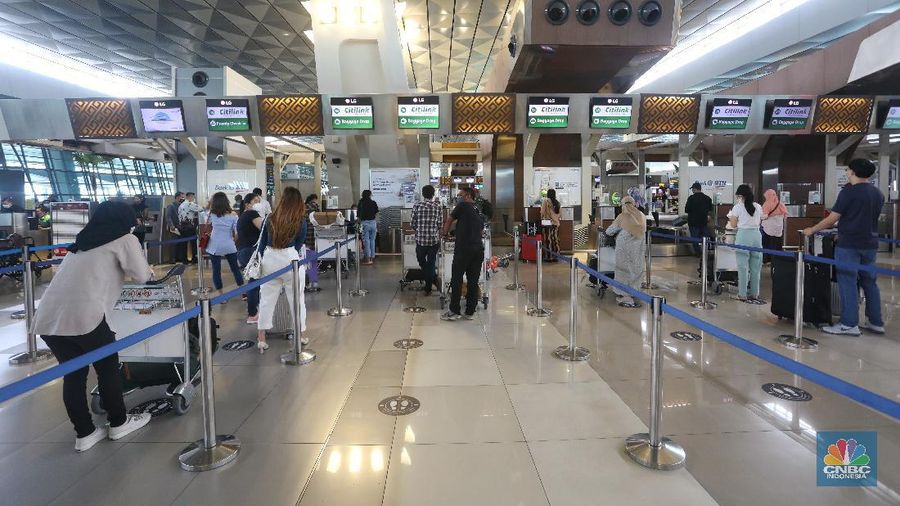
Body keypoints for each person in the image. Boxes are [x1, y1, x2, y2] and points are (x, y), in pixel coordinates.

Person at [31, 201, 152, 452]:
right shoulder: (125, 239)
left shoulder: (82, 242)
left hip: (49, 320)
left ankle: (84, 433)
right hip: (87, 318)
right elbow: (142, 276)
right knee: (107, 369)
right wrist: (147, 270)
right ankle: (118, 423)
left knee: (73, 375)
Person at [804, 158, 885, 336]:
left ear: (853, 172)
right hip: (870, 244)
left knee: (848, 281)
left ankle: (849, 323)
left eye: (848, 170)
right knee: (869, 282)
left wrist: (812, 229)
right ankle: (875, 321)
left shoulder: (849, 192)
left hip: (849, 244)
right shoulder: (878, 193)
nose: (847, 172)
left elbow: (832, 219)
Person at [255, 187, 308, 353]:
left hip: (270, 259)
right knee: (297, 299)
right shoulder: (300, 220)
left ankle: (261, 338)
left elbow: (262, 243)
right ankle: (300, 335)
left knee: (266, 299)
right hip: (290, 259)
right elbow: (299, 243)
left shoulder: (270, 218)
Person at [441, 187, 484, 321]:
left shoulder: (462, 206)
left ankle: (454, 311)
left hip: (464, 249)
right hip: (478, 249)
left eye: (460, 195)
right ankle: (470, 311)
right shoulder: (478, 209)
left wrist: (444, 233)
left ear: (468, 195)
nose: (458, 197)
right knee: (473, 281)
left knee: (457, 279)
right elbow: (481, 230)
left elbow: (449, 220)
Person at [606, 196, 647, 306]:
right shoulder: (641, 215)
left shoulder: (622, 216)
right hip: (638, 248)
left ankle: (625, 295)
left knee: (623, 270)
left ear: (623, 205)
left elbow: (610, 231)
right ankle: (634, 291)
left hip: (624, 249)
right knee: (636, 269)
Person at [727, 184, 763, 302]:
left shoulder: (737, 207)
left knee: (743, 267)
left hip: (743, 236)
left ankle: (742, 294)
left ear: (740, 196)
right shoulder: (758, 206)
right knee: (756, 267)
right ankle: (754, 293)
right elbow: (760, 220)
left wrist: (733, 219)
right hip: (757, 236)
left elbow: (733, 225)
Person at [205, 192, 244, 297]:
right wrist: (233, 241)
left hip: (214, 246)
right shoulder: (233, 214)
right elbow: (237, 232)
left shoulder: (211, 214)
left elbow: (206, 222)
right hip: (229, 245)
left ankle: (221, 296)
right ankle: (243, 292)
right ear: (226, 201)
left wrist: (209, 203)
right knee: (235, 269)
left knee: (216, 271)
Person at [236, 193, 264, 324]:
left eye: (259, 201)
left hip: (244, 251)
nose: (258, 203)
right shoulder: (251, 214)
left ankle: (254, 311)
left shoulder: (243, 216)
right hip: (250, 252)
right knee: (254, 282)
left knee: (254, 281)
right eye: (255, 201)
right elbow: (263, 228)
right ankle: (252, 314)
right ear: (247, 205)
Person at [412, 185, 443, 296]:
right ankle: (432, 279)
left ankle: (428, 286)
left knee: (421, 261)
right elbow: (440, 224)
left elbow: (413, 223)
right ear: (433, 194)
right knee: (431, 263)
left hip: (421, 240)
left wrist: (419, 229)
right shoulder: (438, 206)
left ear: (423, 194)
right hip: (433, 240)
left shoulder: (417, 206)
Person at [684, 182, 713, 256]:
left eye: (692, 189)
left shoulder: (691, 198)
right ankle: (705, 252)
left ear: (694, 189)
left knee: (694, 238)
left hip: (693, 222)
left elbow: (686, 210)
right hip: (703, 222)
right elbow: (710, 210)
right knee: (705, 238)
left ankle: (698, 253)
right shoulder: (707, 198)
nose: (692, 190)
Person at [761, 189, 788, 262]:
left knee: (767, 245)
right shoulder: (781, 204)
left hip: (769, 229)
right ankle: (778, 261)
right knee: (777, 245)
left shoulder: (767, 204)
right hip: (779, 230)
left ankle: (767, 259)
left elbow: (764, 216)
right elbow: (785, 215)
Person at [178, 192, 202, 264]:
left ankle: (184, 260)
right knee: (193, 243)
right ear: (190, 197)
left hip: (181, 227)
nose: (194, 199)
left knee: (184, 244)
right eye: (193, 197)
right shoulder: (189, 204)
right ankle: (194, 259)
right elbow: (200, 209)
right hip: (189, 226)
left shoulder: (181, 205)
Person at [303, 194, 321, 291]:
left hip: (305, 238)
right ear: (314, 199)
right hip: (314, 237)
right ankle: (314, 282)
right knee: (314, 261)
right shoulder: (316, 208)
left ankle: (307, 283)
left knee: (306, 262)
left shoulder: (303, 208)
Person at [358, 190, 379, 265]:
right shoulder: (373, 203)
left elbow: (359, 216)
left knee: (366, 241)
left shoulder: (361, 203)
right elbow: (376, 213)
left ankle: (368, 258)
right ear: (369, 195)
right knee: (372, 240)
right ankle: (372, 257)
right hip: (373, 223)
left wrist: (359, 223)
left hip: (365, 223)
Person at [540, 189, 561, 262]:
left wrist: (542, 217)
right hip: (556, 223)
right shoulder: (557, 203)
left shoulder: (546, 201)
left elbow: (542, 212)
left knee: (548, 240)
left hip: (548, 223)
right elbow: (560, 214)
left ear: (548, 194)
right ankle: (556, 256)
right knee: (555, 239)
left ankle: (549, 257)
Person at [165, 192, 185, 261]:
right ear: (177, 197)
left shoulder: (182, 206)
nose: (183, 198)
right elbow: (168, 216)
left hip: (180, 227)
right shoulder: (171, 206)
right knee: (174, 243)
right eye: (182, 197)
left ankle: (178, 257)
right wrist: (171, 225)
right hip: (174, 228)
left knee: (180, 243)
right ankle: (172, 258)